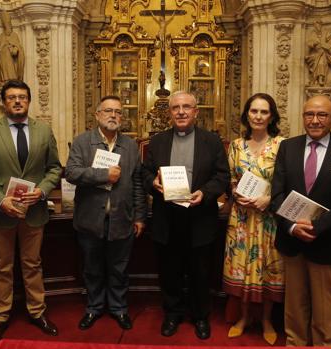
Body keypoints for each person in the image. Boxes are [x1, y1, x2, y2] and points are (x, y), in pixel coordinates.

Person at [270, 95, 331, 347]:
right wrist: (291, 227)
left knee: (325, 307)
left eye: (322, 115)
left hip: (326, 241)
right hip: (292, 241)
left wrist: (317, 227)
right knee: (295, 304)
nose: (315, 120)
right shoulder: (287, 147)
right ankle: (296, 343)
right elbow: (277, 194)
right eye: (309, 114)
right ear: (302, 117)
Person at [0, 79, 61, 344]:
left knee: (33, 264)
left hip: (33, 212)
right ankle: (0, 316)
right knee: (2, 266)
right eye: (11, 97)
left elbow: (54, 168)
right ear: (3, 102)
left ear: (29, 100)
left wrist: (43, 191)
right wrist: (0, 200)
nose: (17, 101)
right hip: (2, 214)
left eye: (22, 97)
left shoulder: (44, 131)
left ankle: (38, 311)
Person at [142, 91, 229, 340]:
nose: (181, 112)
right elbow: (144, 173)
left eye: (186, 107)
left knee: (201, 272)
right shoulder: (157, 141)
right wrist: (154, 184)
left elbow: (222, 176)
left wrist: (205, 192)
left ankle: (200, 316)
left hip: (200, 217)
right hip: (166, 218)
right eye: (176, 108)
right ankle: (172, 314)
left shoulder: (212, 141)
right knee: (169, 271)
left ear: (196, 112)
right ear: (169, 112)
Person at [64, 95, 146, 331]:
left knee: (119, 268)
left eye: (118, 112)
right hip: (90, 220)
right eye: (108, 111)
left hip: (122, 220)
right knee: (92, 268)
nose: (113, 115)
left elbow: (137, 183)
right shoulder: (82, 142)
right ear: (97, 114)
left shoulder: (130, 146)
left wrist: (140, 216)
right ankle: (94, 307)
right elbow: (71, 173)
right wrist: (103, 175)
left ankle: (119, 309)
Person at [223, 93, 284, 344]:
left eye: (264, 112)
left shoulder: (283, 145)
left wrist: (269, 199)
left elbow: (287, 182)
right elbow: (230, 179)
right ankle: (244, 318)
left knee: (267, 269)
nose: (258, 116)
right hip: (241, 219)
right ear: (247, 114)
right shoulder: (236, 146)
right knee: (242, 268)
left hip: (268, 219)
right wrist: (235, 192)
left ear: (272, 116)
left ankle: (267, 320)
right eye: (254, 111)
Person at [0, 11, 25, 82]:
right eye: (4, 23)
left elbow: (18, 46)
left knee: (10, 70)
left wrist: (15, 49)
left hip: (9, 56)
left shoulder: (14, 35)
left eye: (7, 23)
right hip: (2, 57)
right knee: (4, 71)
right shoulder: (2, 35)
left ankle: (12, 79)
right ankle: (4, 79)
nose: (6, 25)